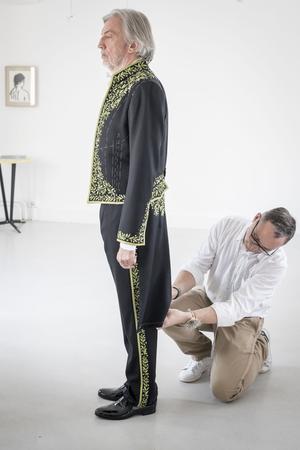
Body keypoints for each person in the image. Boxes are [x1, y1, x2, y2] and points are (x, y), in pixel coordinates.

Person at [88, 9, 171, 420]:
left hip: (132, 217)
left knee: (139, 309)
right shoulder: (127, 84)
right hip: (118, 210)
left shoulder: (145, 89)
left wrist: (129, 235)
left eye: (108, 35)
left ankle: (142, 397)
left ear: (133, 43)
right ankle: (134, 378)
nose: (100, 44)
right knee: (128, 305)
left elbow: (144, 166)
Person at [163, 208, 296, 402]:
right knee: (164, 312)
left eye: (264, 249)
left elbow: (235, 307)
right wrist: (173, 291)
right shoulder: (228, 225)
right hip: (209, 296)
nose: (254, 247)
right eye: (255, 237)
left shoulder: (276, 264)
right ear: (256, 218)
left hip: (243, 316)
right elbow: (198, 265)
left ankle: (260, 344)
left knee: (225, 391)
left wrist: (187, 317)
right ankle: (203, 355)